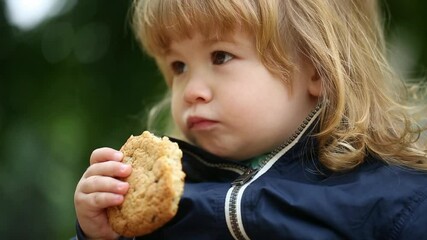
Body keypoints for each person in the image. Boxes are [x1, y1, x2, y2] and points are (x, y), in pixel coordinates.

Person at [73, 0, 427, 239]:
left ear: (316, 68)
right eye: (178, 66)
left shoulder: (394, 201)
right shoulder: (172, 204)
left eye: (221, 56)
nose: (192, 90)